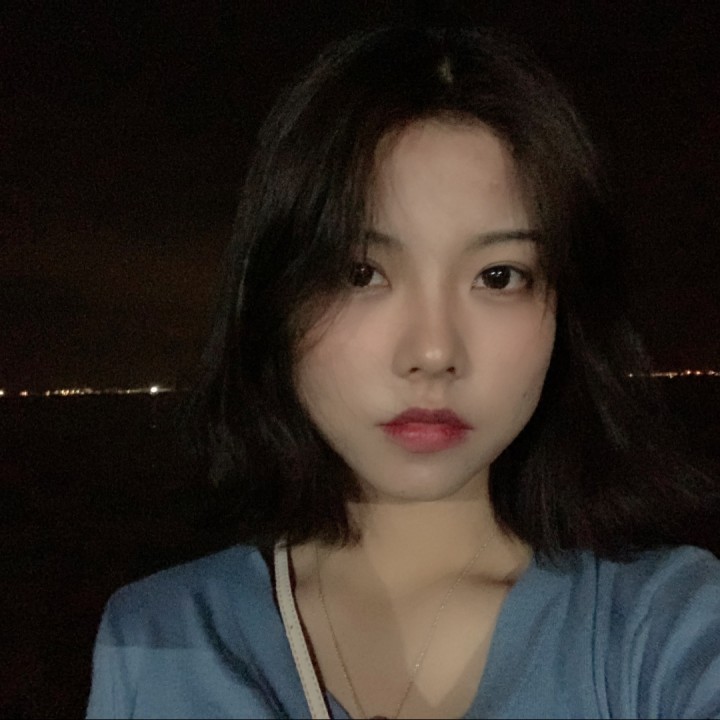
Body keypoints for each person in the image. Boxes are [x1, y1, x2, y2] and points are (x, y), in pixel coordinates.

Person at [86, 25, 720, 719]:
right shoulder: (158, 642)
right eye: (362, 273)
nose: (433, 350)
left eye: (499, 276)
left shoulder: (665, 628)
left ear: (566, 310)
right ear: (275, 298)